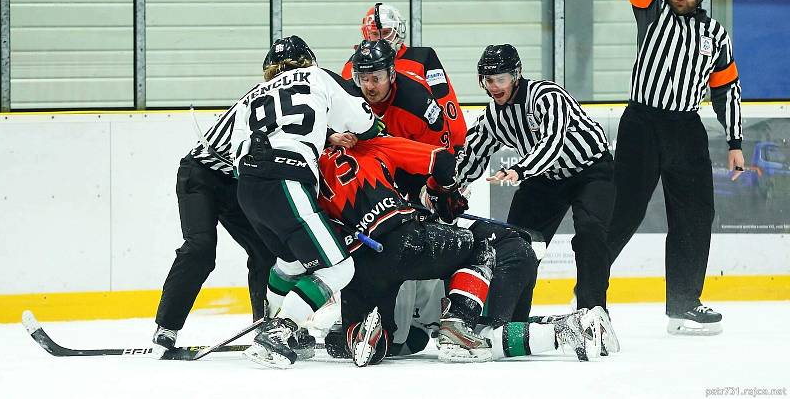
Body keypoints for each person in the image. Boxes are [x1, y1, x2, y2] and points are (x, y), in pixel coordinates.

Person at [607, 0, 744, 336]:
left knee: (695, 214)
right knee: (623, 208)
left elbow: (727, 90)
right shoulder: (652, 11)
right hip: (642, 123)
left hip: (686, 128)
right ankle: (590, 293)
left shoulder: (715, 35)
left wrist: (736, 141)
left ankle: (683, 304)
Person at [317, 135, 543, 364]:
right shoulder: (373, 144)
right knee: (479, 245)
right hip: (402, 238)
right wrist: (445, 191)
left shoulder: (310, 160)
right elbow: (443, 161)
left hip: (359, 259)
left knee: (359, 336)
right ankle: (458, 322)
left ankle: (362, 333)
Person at [230, 35, 383, 368]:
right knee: (342, 267)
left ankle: (275, 323)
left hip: (249, 190)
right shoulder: (318, 76)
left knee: (290, 264)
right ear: (307, 59)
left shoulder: (250, 95)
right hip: (287, 180)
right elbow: (363, 120)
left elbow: (236, 154)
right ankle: (280, 329)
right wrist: (374, 131)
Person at [454, 44, 617, 333]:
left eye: (501, 79)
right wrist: (451, 187)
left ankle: (594, 314)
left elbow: (552, 142)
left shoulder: (547, 96)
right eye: (488, 81)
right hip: (545, 179)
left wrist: (519, 169)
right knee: (516, 243)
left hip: (590, 171)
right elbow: (473, 152)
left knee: (591, 233)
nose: (494, 87)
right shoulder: (494, 116)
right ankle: (509, 320)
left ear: (516, 75)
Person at [152, 83, 275, 350]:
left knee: (266, 250)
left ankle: (264, 325)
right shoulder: (265, 97)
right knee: (201, 248)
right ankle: (167, 326)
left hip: (236, 184)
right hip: (200, 175)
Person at [341, 3, 468, 149]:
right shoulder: (354, 65)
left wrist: (458, 145)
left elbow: (446, 102)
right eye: (376, 34)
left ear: (398, 31)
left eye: (387, 32)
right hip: (375, 147)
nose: (382, 39)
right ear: (367, 34)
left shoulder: (423, 57)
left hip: (415, 143)